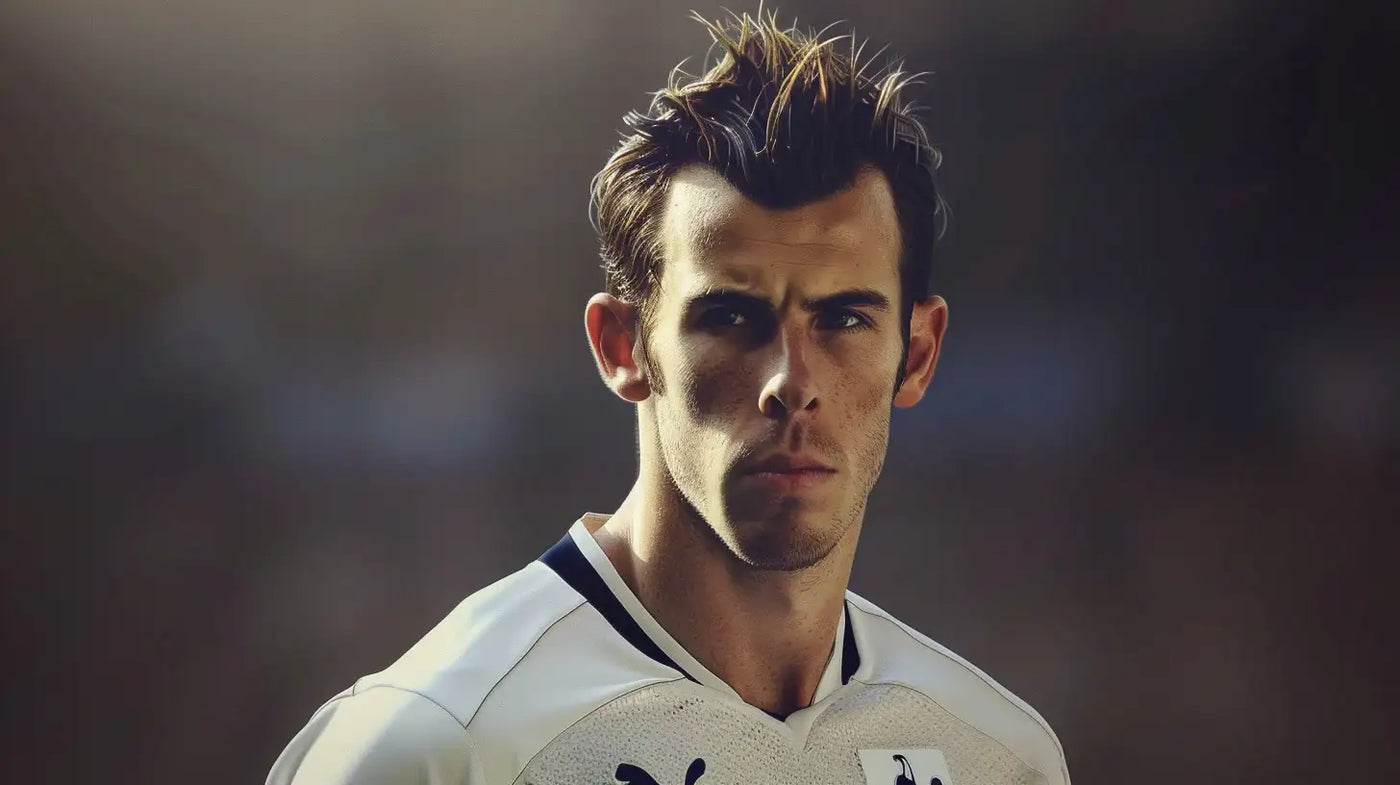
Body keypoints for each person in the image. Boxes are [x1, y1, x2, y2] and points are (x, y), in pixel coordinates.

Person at [267, 11, 1070, 785]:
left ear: (918, 354)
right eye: (729, 315)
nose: (792, 380)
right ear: (623, 347)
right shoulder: (434, 746)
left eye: (845, 318)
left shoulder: (999, 756)